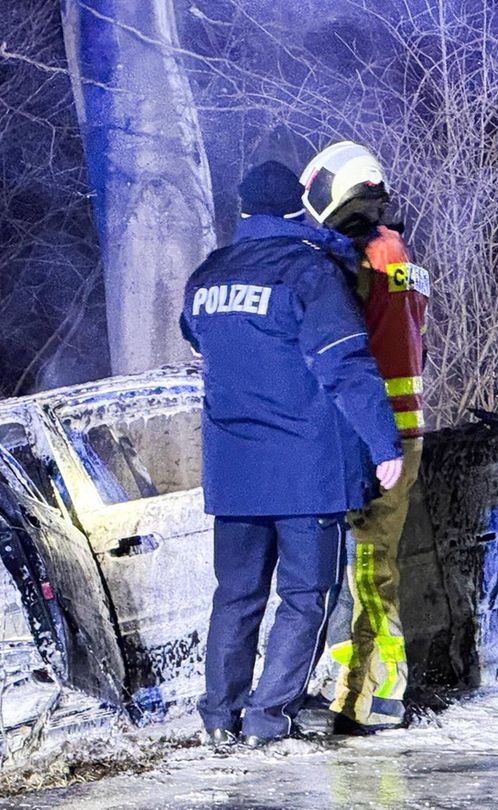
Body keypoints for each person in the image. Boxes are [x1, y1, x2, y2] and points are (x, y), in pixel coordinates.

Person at [181, 160, 404, 747]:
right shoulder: (309, 271)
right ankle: (267, 718)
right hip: (307, 470)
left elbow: (192, 333)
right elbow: (345, 364)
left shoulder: (207, 275)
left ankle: (219, 717)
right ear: (297, 207)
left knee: (236, 597)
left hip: (234, 471)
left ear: (242, 208)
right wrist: (384, 443)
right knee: (305, 598)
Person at [300, 141, 430, 730]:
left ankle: (363, 698)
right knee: (376, 566)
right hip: (405, 428)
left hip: (370, 434)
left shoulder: (357, 260)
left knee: (364, 570)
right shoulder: (397, 252)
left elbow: (341, 349)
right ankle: (381, 689)